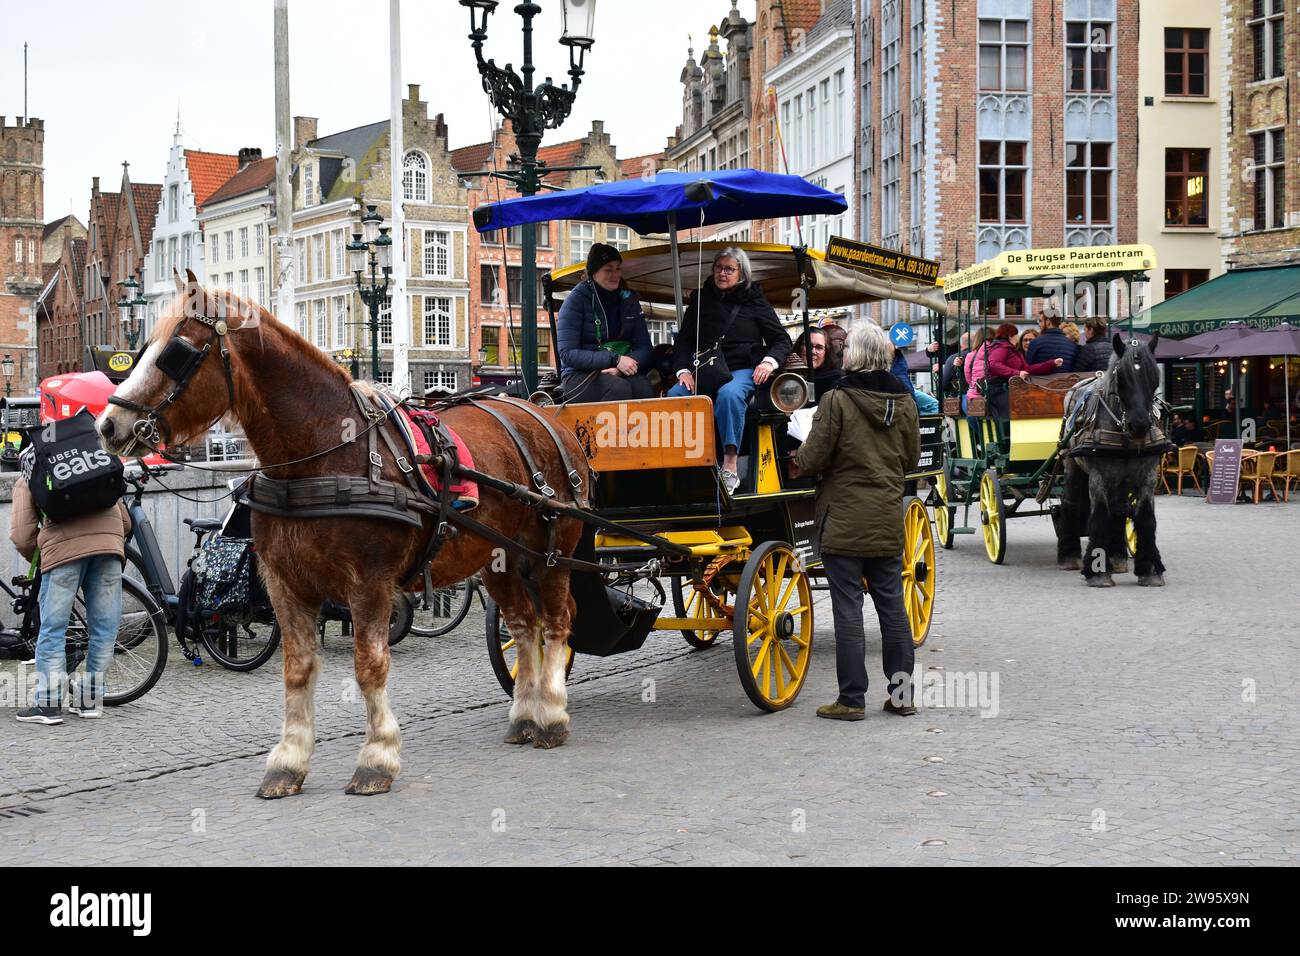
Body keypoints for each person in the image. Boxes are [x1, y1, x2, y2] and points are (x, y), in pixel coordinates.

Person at [794, 323, 921, 721]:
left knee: (848, 609)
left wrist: (801, 454)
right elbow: (912, 459)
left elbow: (812, 459)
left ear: (854, 355)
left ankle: (851, 700)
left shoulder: (836, 400)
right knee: (893, 608)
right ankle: (902, 696)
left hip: (844, 519)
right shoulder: (905, 401)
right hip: (885, 516)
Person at [10, 458, 131, 724]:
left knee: (53, 629)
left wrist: (42, 559)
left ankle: (48, 704)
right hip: (108, 549)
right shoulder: (93, 460)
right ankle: (89, 702)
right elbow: (125, 522)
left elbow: (21, 535)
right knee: (105, 629)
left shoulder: (32, 469)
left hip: (62, 554)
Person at [670, 247, 792, 494]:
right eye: (718, 268)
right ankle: (682, 464)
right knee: (675, 397)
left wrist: (768, 362)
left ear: (741, 273)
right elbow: (683, 341)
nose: (722, 273)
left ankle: (730, 466)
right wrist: (682, 371)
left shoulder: (755, 300)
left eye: (729, 269)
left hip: (741, 368)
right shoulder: (701, 300)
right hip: (705, 369)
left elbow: (781, 340)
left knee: (730, 395)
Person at [555, 243, 655, 403]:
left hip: (620, 369)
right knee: (618, 389)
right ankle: (600, 428)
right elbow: (567, 353)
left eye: (618, 268)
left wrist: (621, 367)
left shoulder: (629, 300)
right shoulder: (576, 301)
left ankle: (639, 429)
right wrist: (614, 360)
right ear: (593, 273)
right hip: (579, 376)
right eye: (608, 269)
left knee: (644, 389)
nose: (615, 274)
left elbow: (645, 348)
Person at [981, 323, 1064, 417]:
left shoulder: (1011, 350)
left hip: (1008, 390)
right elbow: (992, 364)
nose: (1017, 337)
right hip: (1000, 391)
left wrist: (1051, 363)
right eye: (1016, 334)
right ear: (1010, 336)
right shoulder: (1002, 347)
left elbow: (1027, 369)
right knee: (1007, 420)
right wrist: (1016, 373)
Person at [792, 327, 842, 401]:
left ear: (826, 352)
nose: (813, 351)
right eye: (808, 345)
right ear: (799, 347)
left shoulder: (834, 380)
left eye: (819, 347)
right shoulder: (786, 374)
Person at [962, 326, 990, 413]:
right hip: (990, 394)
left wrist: (974, 384)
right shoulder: (994, 352)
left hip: (974, 395)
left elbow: (968, 378)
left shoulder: (970, 355)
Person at [941, 331, 970, 396]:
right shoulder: (982, 355)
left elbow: (944, 384)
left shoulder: (952, 358)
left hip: (960, 395)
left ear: (961, 344)